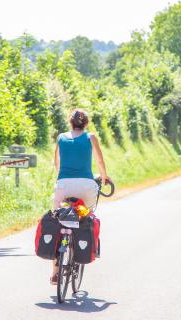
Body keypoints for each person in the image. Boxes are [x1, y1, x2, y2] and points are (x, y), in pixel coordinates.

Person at [50, 109, 109, 285]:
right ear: (86, 123)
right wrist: (104, 177)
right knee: (87, 215)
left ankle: (55, 272)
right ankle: (83, 247)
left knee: (57, 221)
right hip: (86, 186)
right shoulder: (91, 137)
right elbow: (99, 161)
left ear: (70, 122)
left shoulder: (61, 137)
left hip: (63, 185)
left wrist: (63, 180)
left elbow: (57, 163)